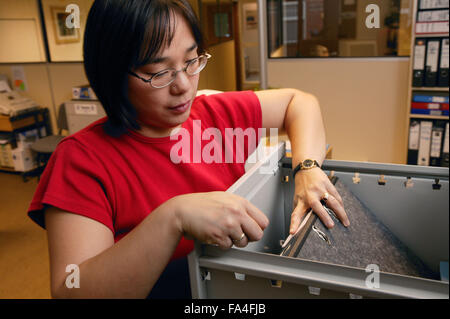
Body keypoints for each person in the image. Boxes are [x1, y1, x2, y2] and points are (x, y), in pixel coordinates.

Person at [27, 0, 349, 299]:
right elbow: (74, 288)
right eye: (159, 72)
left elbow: (300, 103)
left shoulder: (215, 115)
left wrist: (307, 167)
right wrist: (172, 218)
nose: (183, 85)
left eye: (191, 60)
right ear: (113, 72)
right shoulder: (81, 160)